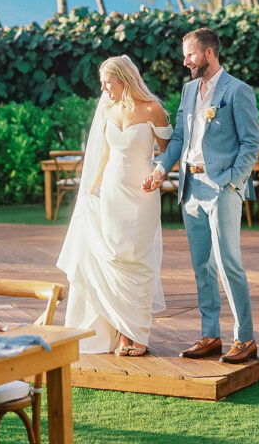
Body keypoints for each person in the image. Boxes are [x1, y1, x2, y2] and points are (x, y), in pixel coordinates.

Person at [143, 27, 259, 364]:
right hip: (189, 189)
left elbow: (252, 144)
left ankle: (246, 338)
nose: (185, 61)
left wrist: (232, 181)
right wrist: (160, 169)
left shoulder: (238, 91)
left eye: (191, 54)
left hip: (222, 188)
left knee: (228, 264)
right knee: (202, 267)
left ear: (209, 53)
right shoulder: (188, 90)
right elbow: (179, 138)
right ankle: (210, 335)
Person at [57, 55, 172, 356]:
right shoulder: (107, 109)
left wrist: (158, 174)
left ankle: (139, 333)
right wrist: (89, 192)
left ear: (124, 79)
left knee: (140, 261)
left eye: (108, 82)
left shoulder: (153, 110)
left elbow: (168, 154)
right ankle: (123, 330)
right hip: (111, 193)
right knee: (115, 260)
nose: (104, 89)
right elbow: (103, 156)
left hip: (143, 195)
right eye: (102, 83)